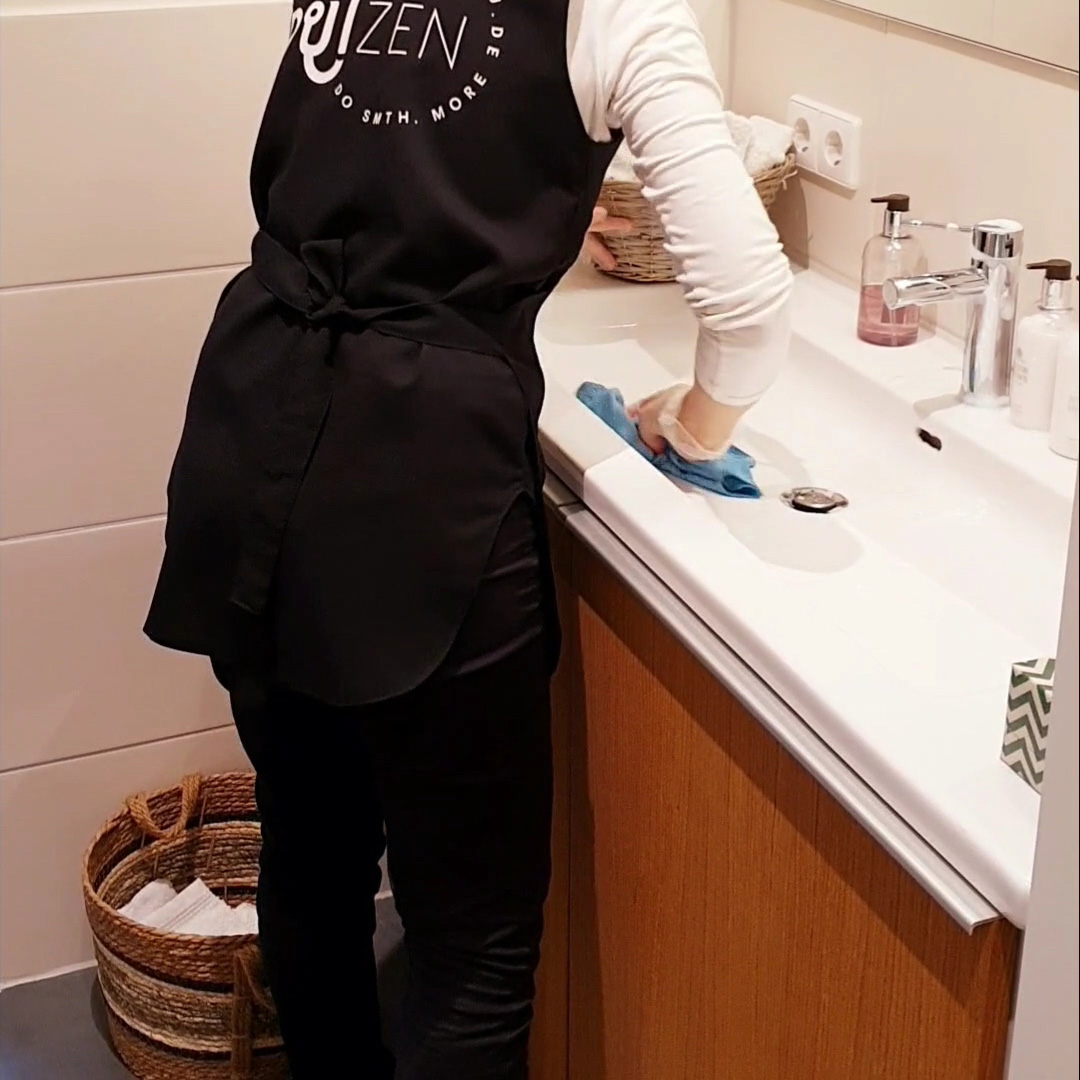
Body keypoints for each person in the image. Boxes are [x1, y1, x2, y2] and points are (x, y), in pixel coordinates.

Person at [144, 0, 792, 1073]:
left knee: (310, 855)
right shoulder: (619, 14)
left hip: (253, 427)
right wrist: (693, 422)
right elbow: (752, 305)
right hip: (417, 476)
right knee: (472, 944)